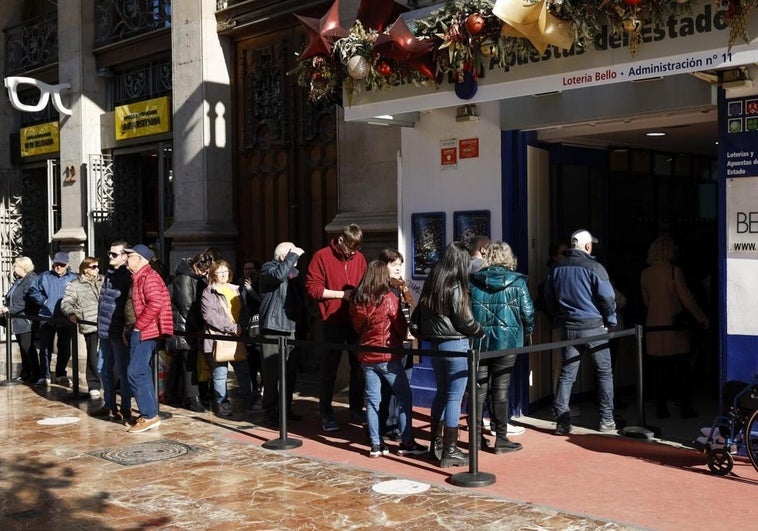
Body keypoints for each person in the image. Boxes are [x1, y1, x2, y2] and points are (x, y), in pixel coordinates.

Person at [412, 241, 484, 468]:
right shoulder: (456, 285)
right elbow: (464, 320)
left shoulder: (433, 282)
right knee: (454, 397)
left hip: (435, 345)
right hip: (455, 345)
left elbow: (419, 315)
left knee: (442, 393)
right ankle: (450, 450)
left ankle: (436, 445)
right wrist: (479, 330)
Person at [544, 229, 617, 435]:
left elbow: (549, 297)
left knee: (567, 374)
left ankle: (562, 421)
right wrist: (610, 320)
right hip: (594, 327)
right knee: (604, 373)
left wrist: (558, 317)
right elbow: (608, 299)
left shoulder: (556, 269)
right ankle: (606, 419)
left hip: (569, 327)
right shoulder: (595, 267)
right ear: (586, 246)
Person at [350, 260, 426, 458]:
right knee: (404, 396)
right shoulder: (389, 297)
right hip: (388, 355)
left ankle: (376, 444)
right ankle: (407, 441)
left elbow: (357, 325)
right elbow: (400, 326)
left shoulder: (359, 297)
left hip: (367, 354)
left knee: (373, 400)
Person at [469, 241, 535, 454]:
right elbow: (528, 313)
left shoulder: (473, 280)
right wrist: (527, 333)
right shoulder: (518, 282)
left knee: (478, 389)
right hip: (507, 342)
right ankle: (501, 438)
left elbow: (465, 311)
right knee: (501, 388)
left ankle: (476, 437)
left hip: (479, 341)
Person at [305, 223, 368, 432]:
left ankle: (356, 409)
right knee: (329, 367)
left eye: (355, 249)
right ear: (340, 240)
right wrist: (341, 295)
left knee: (358, 366)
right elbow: (313, 288)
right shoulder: (321, 256)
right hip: (332, 319)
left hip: (356, 319)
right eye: (349, 248)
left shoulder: (359, 258)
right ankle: (326, 412)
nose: (352, 253)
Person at [640, 235, 708, 419]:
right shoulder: (674, 271)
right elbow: (687, 299)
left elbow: (646, 301)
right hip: (674, 326)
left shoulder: (645, 274)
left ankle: (661, 408)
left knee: (658, 371)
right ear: (668, 251)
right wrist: (701, 318)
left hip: (654, 325)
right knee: (681, 370)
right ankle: (685, 407)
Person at [123, 244, 174, 433]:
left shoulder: (148, 277)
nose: (127, 258)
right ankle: (150, 414)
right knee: (141, 372)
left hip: (145, 331)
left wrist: (138, 326)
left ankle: (148, 416)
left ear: (141, 260)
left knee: (134, 372)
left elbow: (156, 304)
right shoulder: (139, 277)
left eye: (130, 256)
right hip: (143, 331)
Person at [258, 243, 305, 427]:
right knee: (271, 374)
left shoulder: (295, 274)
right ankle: (270, 410)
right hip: (273, 328)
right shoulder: (268, 268)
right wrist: (293, 256)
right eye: (293, 255)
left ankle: (285, 409)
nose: (297, 260)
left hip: (291, 328)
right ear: (284, 257)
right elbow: (278, 276)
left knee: (290, 373)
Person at [201, 259, 255, 418]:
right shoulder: (208, 292)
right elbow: (210, 316)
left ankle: (251, 400)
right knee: (220, 373)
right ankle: (223, 404)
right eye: (220, 272)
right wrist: (232, 328)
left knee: (244, 372)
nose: (224, 275)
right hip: (218, 337)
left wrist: (241, 326)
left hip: (237, 336)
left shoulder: (236, 289)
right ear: (213, 274)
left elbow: (245, 311)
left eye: (226, 271)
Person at [377, 248, 415, 441]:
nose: (399, 268)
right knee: (389, 388)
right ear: (384, 267)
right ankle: (388, 426)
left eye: (400, 264)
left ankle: (399, 427)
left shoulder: (402, 286)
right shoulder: (383, 288)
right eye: (394, 265)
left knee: (403, 387)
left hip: (407, 342)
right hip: (392, 343)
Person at [94, 242, 133, 423]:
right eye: (109, 253)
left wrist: (125, 328)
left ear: (125, 256)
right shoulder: (109, 274)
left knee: (123, 371)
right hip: (104, 329)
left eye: (114, 254)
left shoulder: (127, 276)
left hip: (118, 331)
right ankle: (110, 404)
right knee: (103, 368)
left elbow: (128, 305)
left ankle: (126, 407)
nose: (110, 257)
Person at [168, 251, 212, 413]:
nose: (204, 274)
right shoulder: (185, 279)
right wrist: (198, 328)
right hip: (185, 327)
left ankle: (173, 395)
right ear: (195, 266)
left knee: (180, 362)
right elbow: (186, 306)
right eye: (202, 271)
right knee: (189, 364)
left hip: (187, 326)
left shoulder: (193, 278)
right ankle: (193, 399)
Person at [27, 251, 77, 387]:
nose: (58, 267)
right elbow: (32, 290)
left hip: (66, 318)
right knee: (45, 348)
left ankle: (61, 374)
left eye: (61, 264)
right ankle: (45, 375)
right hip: (47, 316)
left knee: (65, 348)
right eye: (56, 264)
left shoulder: (74, 278)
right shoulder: (44, 277)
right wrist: (44, 301)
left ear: (67, 264)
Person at [61, 257, 104, 398]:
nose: (97, 269)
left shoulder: (103, 281)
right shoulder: (75, 284)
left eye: (98, 266)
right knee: (92, 355)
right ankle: (94, 384)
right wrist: (72, 313)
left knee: (109, 354)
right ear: (85, 269)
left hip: (106, 323)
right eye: (93, 267)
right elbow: (66, 303)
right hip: (90, 324)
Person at [0, 256, 38, 383]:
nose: (13, 268)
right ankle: (25, 373)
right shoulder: (19, 280)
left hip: (25, 320)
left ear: (23, 267)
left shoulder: (30, 280)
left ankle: (35, 374)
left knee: (28, 347)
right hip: (17, 320)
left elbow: (26, 301)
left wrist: (10, 309)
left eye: (15, 266)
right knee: (23, 348)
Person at [237, 258, 262, 406]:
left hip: (258, 327)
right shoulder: (239, 285)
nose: (248, 272)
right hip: (245, 327)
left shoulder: (260, 284)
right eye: (246, 269)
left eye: (251, 269)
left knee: (260, 359)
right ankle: (253, 388)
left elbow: (261, 301)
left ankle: (263, 387)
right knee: (250, 361)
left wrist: (251, 289)